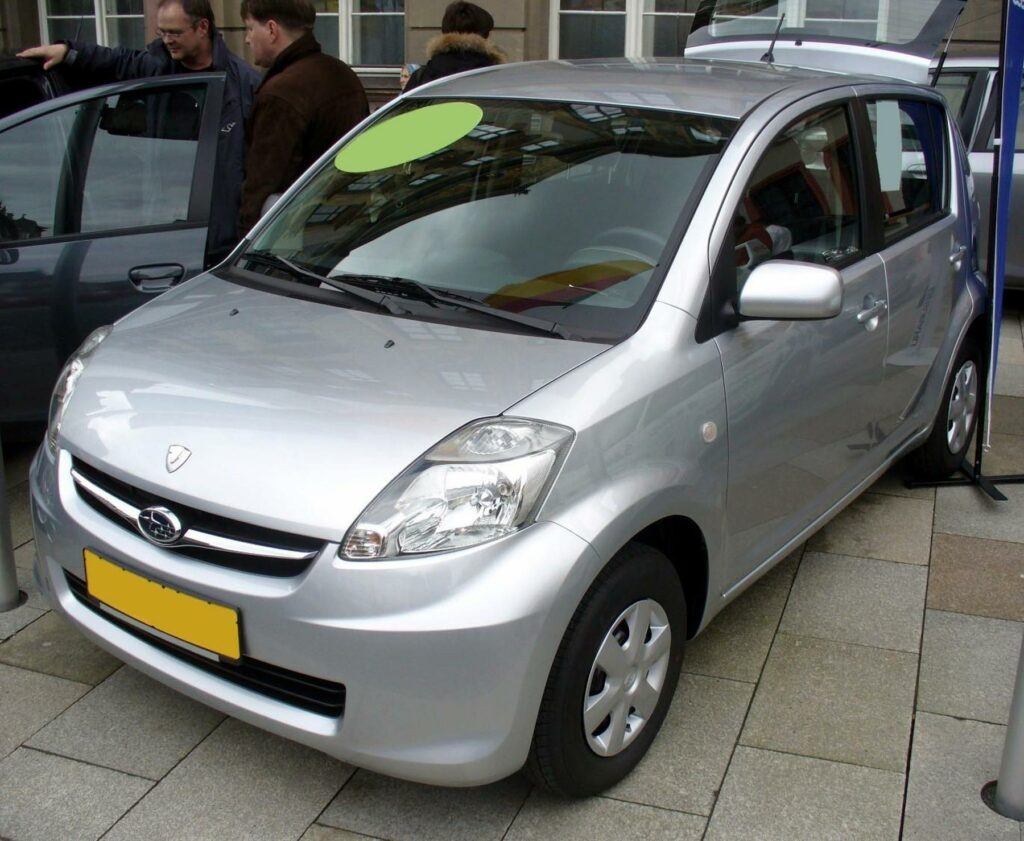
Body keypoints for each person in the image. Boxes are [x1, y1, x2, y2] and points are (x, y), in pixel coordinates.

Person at [17, 0, 260, 264]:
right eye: (162, 32)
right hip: (163, 222)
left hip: (222, 235)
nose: (167, 40)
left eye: (175, 33)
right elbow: (113, 60)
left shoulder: (243, 84)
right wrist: (68, 51)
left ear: (202, 27)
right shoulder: (155, 68)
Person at [238, 0, 369, 231]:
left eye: (249, 28)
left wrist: (244, 248)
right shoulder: (343, 74)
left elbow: (262, 186)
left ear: (271, 29)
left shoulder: (281, 93)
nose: (247, 39)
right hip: (349, 225)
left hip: (295, 238)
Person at [404, 1, 505, 92]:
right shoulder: (499, 78)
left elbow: (404, 111)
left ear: (444, 33)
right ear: (485, 36)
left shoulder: (421, 77)